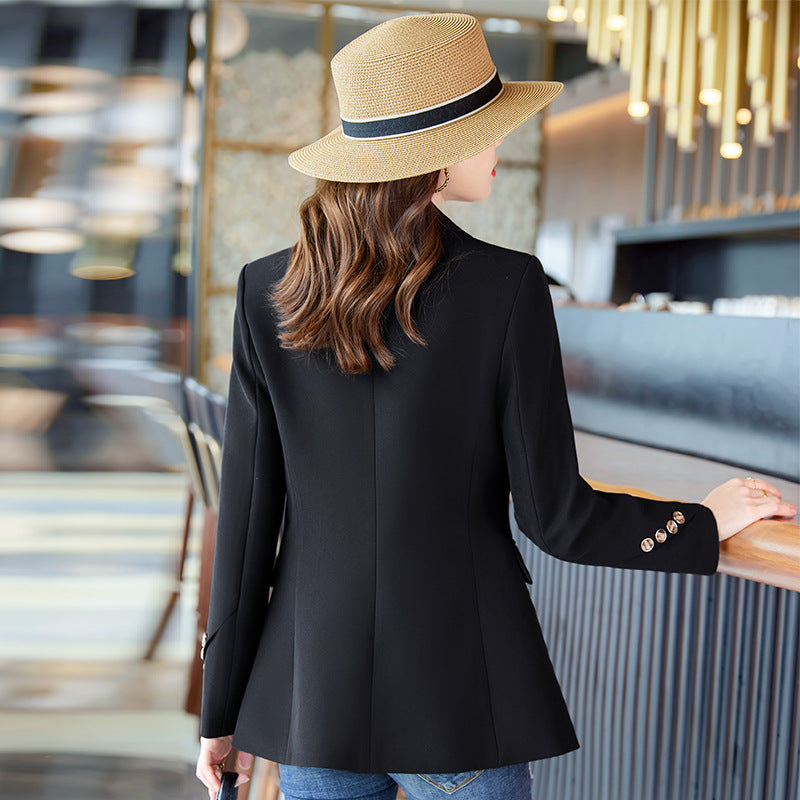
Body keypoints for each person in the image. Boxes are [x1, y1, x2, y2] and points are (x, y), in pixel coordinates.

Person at [195, 13, 796, 800]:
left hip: (315, 700)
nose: (500, 148)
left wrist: (220, 714)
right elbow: (558, 518)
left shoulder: (264, 290)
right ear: (434, 157)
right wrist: (705, 522)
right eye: (488, 129)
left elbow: (244, 531)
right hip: (457, 700)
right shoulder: (507, 289)